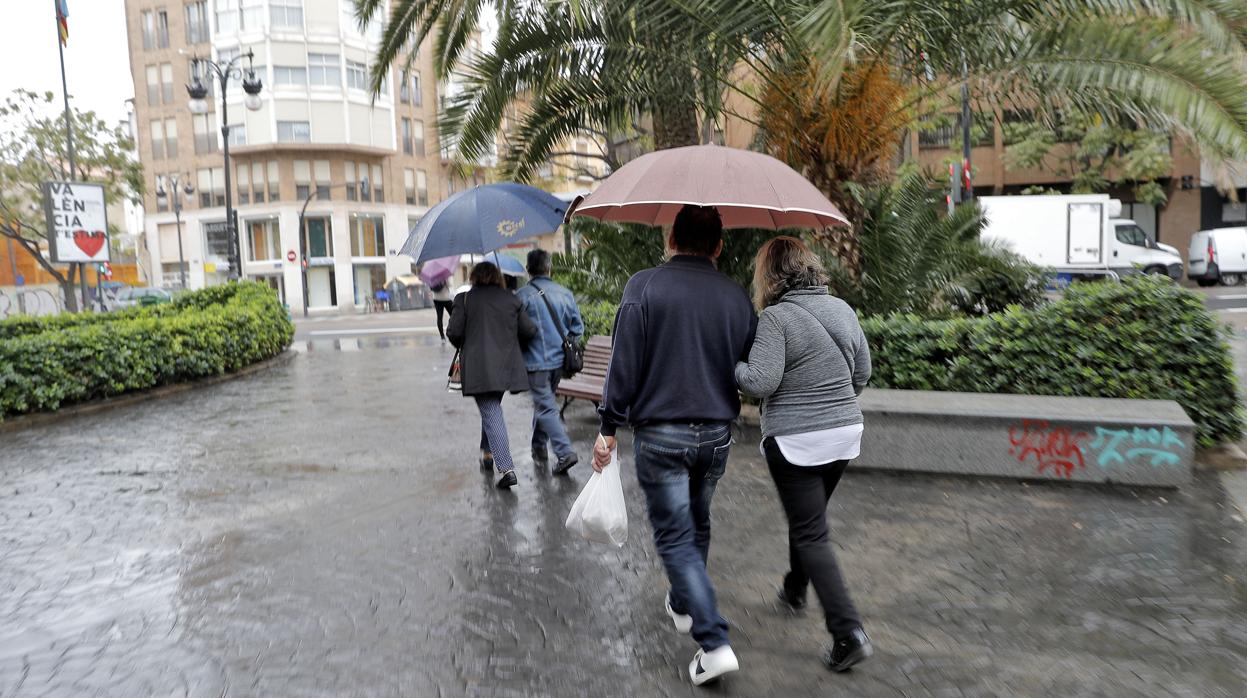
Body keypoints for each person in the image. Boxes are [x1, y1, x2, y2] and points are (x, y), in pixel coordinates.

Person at [592, 205, 756, 686]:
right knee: (697, 524)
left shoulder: (644, 286)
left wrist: (608, 428)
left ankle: (713, 641)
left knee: (675, 538)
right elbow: (749, 363)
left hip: (661, 435)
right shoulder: (736, 296)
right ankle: (684, 603)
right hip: (716, 435)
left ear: (670, 238)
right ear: (719, 246)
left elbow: (623, 364)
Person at [733, 236, 874, 673]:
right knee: (808, 518)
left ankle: (847, 632)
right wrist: (835, 406)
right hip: (844, 435)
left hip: (797, 442)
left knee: (811, 532)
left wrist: (729, 363)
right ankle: (795, 586)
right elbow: (863, 372)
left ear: (770, 276)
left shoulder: (775, 319)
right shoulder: (842, 310)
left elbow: (758, 383)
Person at [447, 261, 537, 489]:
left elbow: (454, 333)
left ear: (474, 277)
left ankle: (506, 468)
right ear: (498, 276)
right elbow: (528, 330)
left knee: (490, 410)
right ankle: (487, 453)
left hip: (479, 368)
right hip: (506, 367)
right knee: (491, 408)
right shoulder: (511, 299)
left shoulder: (464, 299)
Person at [516, 249, 584, 474]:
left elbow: (516, 330)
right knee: (544, 404)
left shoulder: (522, 296)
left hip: (535, 363)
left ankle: (564, 453)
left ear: (528, 270)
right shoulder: (565, 293)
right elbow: (577, 329)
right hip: (559, 364)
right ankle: (538, 446)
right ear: (549, 268)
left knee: (545, 408)